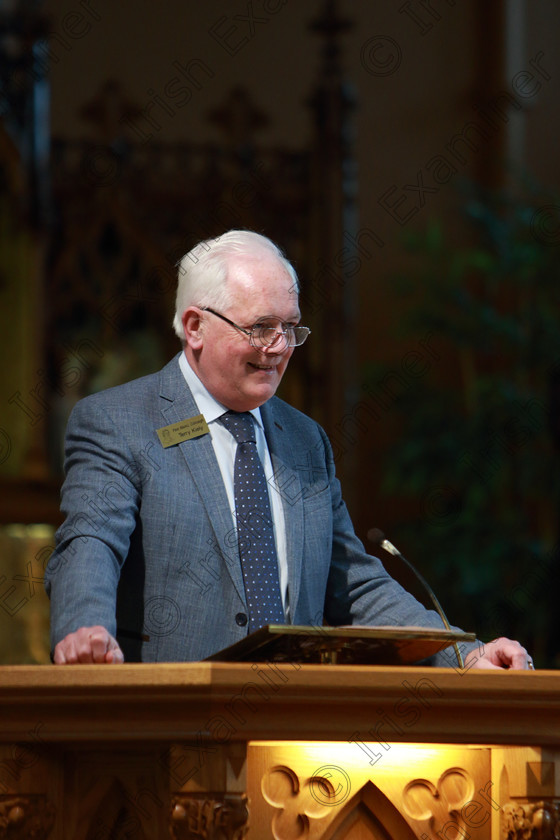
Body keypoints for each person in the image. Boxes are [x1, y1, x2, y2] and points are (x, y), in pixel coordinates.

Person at [45, 230, 532, 670]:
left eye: (291, 327)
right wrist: (84, 631)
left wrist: (464, 655)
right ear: (195, 326)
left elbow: (353, 582)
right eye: (260, 327)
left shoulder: (306, 439)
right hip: (168, 718)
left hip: (292, 725)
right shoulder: (119, 422)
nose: (278, 346)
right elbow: (90, 543)